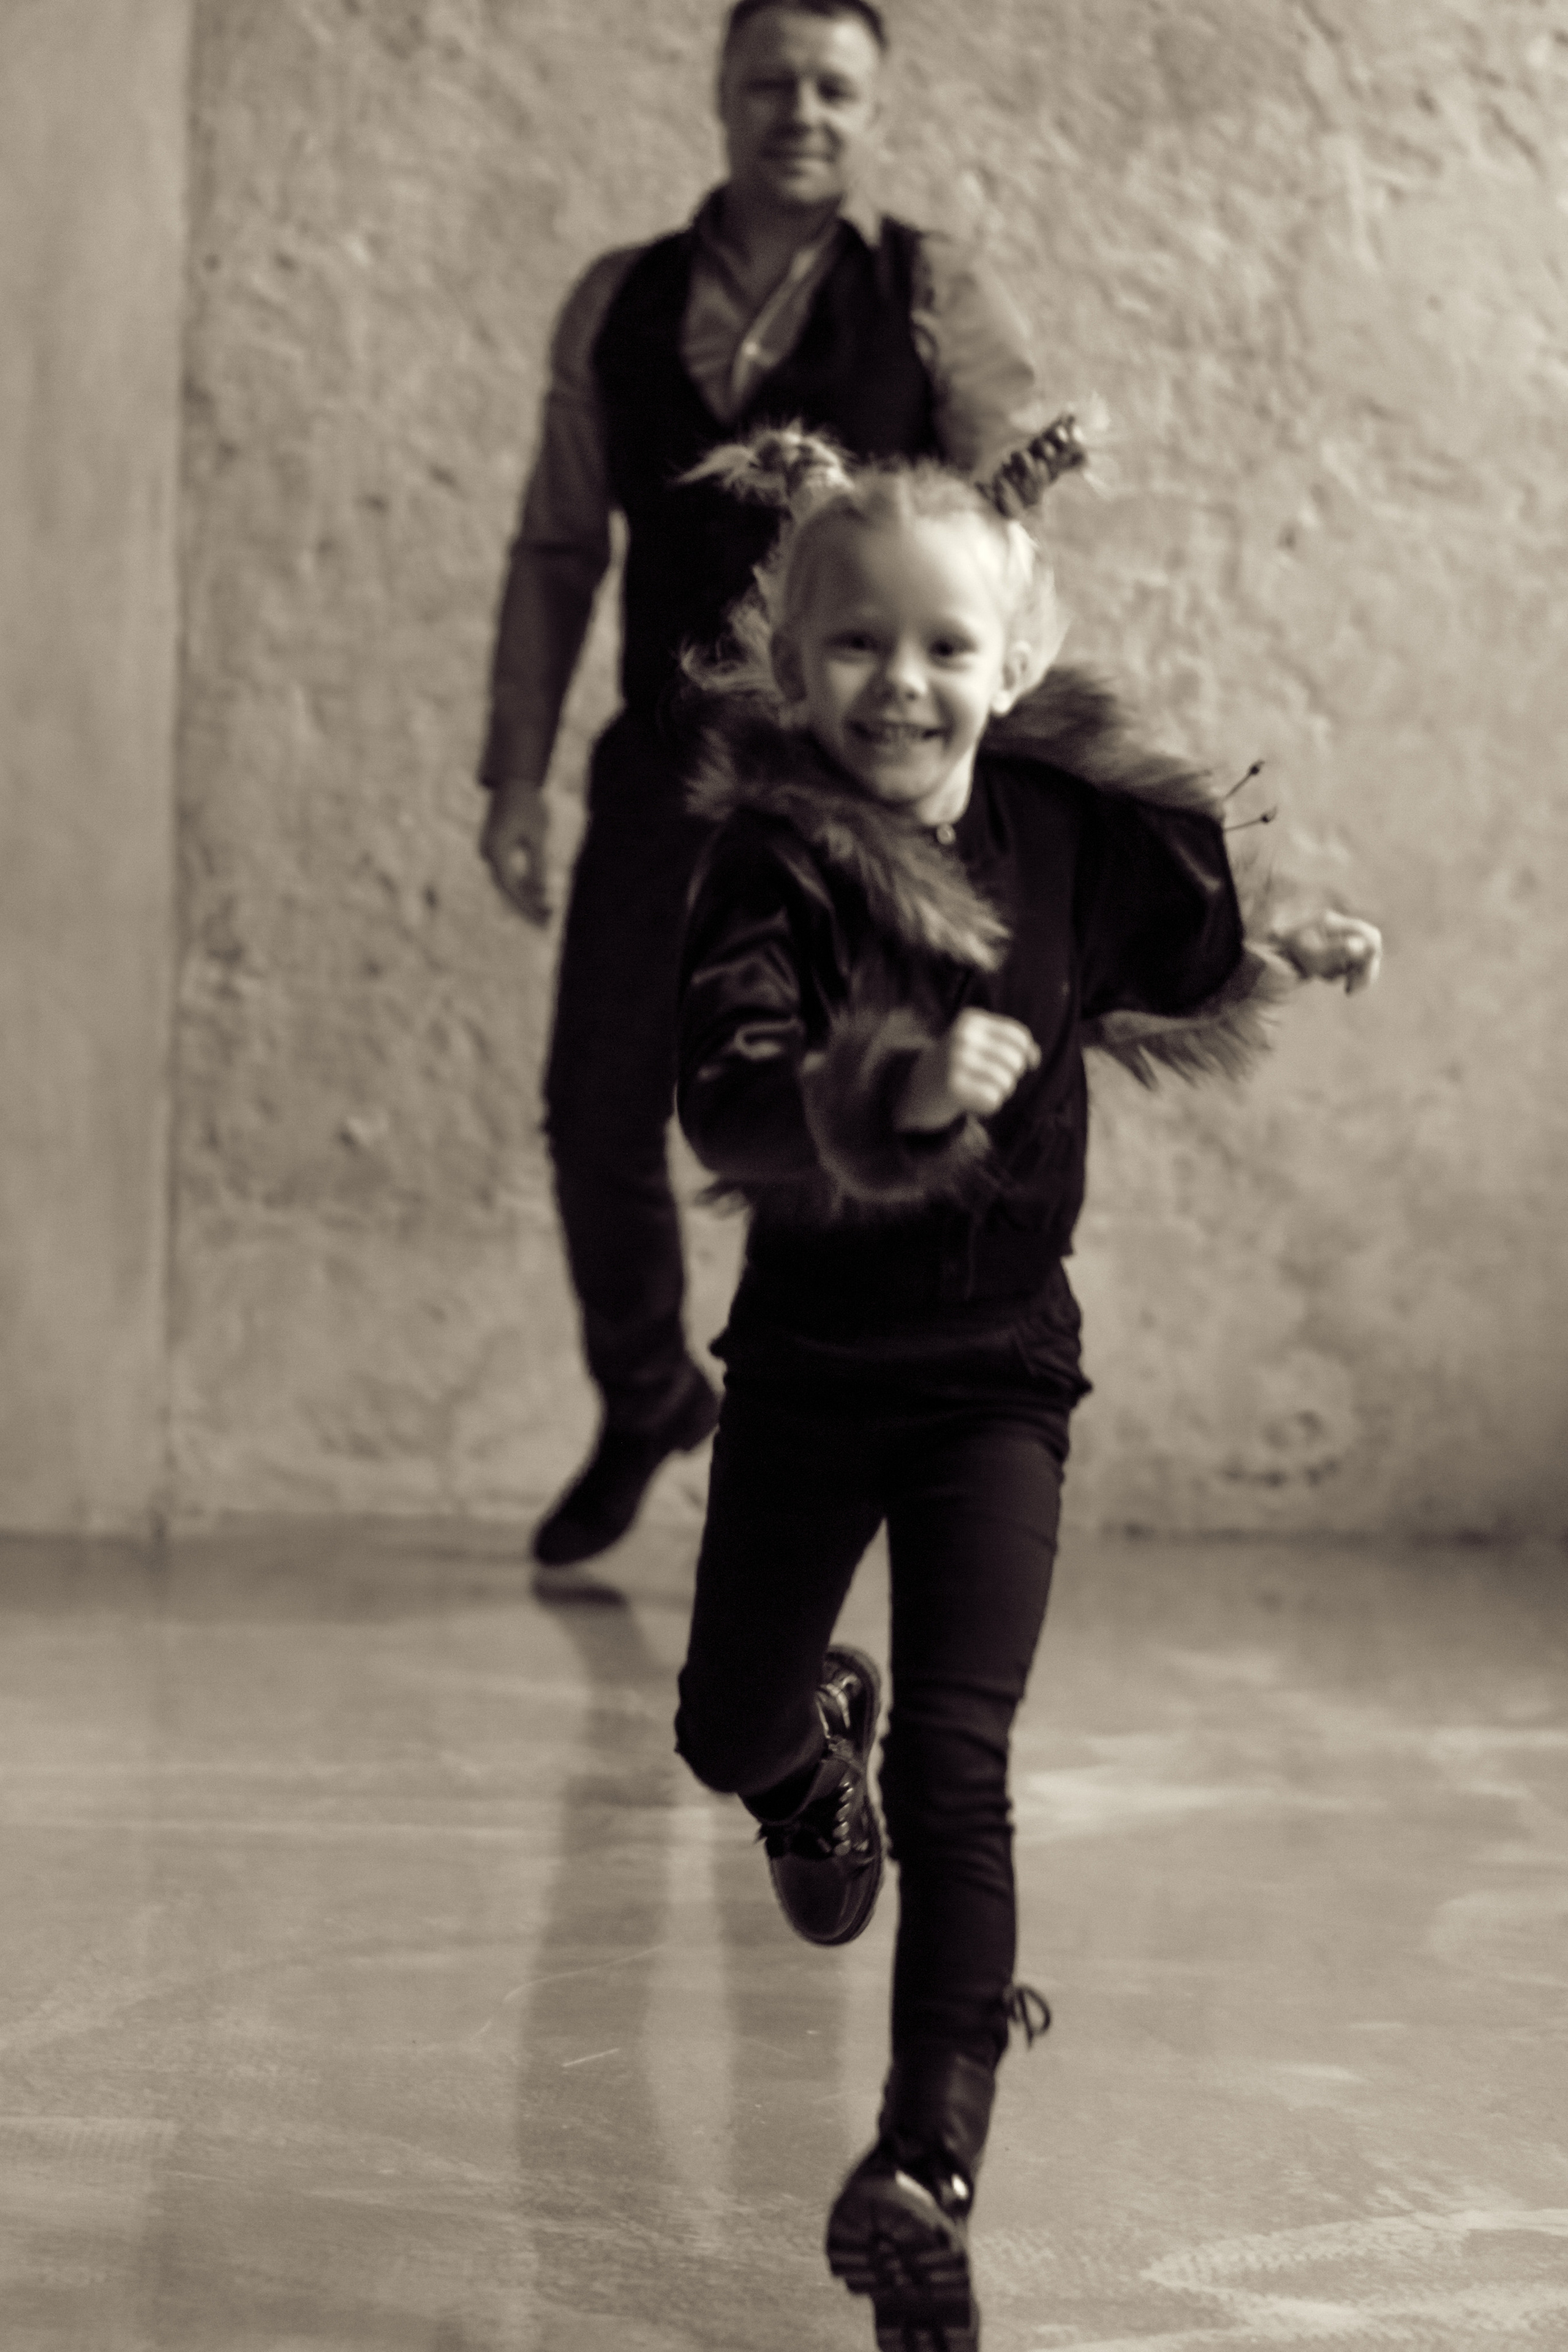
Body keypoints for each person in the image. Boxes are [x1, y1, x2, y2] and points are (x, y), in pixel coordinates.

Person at [669, 419, 1382, 2348]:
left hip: (999, 1374)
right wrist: (882, 1091)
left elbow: (1174, 947)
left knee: (965, 1765)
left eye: (943, 648)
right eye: (854, 648)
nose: (900, 684)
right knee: (718, 1720)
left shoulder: (1068, 831)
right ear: (790, 660)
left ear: (1013, 656)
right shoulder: (773, 865)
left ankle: (924, 2167)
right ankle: (798, 1756)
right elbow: (730, 1096)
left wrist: (1281, 938)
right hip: (817, 1367)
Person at [478, 0, 1049, 1596]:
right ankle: (653, 1392)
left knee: (833, 1102)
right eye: (771, 83)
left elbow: (1010, 542)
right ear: (722, 98)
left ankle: (825, 1442)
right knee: (598, 1109)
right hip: (663, 775)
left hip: (865, 798)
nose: (801, 109)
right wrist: (514, 770)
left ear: (874, 107)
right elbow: (554, 552)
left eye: (834, 86)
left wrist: (1002, 761)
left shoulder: (930, 293)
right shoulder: (619, 299)